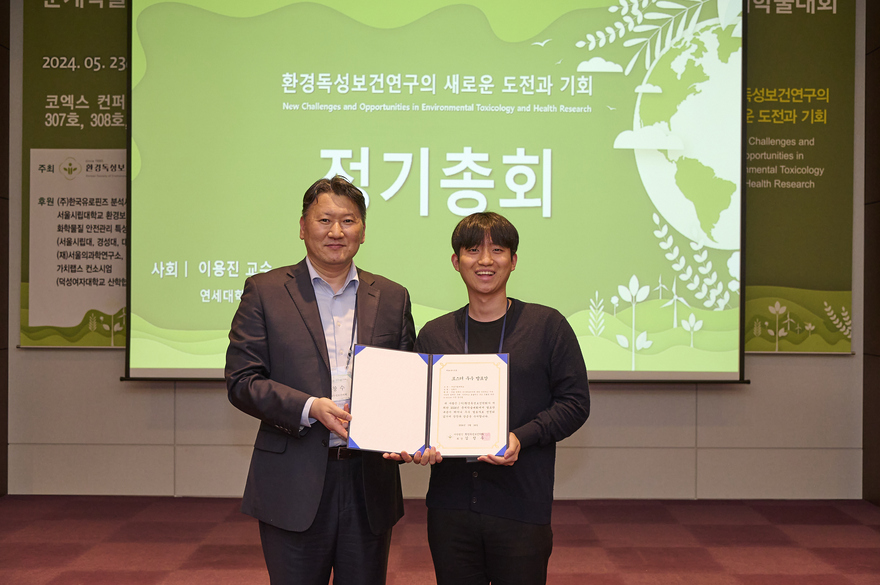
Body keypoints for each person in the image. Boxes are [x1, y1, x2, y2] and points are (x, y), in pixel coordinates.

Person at [225, 175, 415, 585]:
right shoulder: (265, 291)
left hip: (368, 485)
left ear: (363, 230)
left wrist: (410, 433)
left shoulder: (392, 297)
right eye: (324, 220)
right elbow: (242, 380)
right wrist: (310, 407)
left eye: (348, 221)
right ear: (302, 227)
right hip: (292, 481)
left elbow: (406, 386)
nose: (336, 232)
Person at [412, 211, 590, 585]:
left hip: (521, 506)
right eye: (473, 250)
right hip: (450, 508)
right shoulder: (434, 335)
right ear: (456, 261)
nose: (486, 260)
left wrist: (521, 437)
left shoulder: (547, 327)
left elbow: (575, 403)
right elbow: (417, 412)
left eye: (497, 250)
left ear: (513, 260)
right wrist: (417, 442)